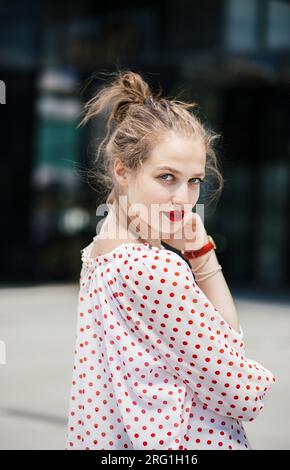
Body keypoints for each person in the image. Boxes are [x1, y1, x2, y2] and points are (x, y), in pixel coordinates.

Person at [65, 70, 276, 450]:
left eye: (194, 180)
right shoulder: (153, 268)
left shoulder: (97, 255)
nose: (184, 197)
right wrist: (203, 260)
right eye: (167, 177)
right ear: (123, 170)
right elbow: (243, 393)